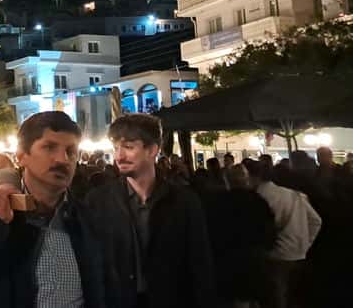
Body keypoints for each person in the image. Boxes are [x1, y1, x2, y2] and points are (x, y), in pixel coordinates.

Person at [0, 111, 106, 307]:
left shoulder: (87, 219)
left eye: (70, 151)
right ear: (21, 156)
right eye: (49, 147)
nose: (62, 159)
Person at [86, 113, 214, 308]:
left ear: (152, 150)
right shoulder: (98, 201)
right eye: (116, 148)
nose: (119, 156)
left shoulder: (184, 201)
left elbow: (200, 265)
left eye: (128, 147)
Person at [249, 159, 320, 308]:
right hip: (299, 253)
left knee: (277, 295)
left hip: (276, 254)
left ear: (254, 177)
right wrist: (306, 242)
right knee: (295, 295)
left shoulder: (259, 197)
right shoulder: (294, 195)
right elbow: (316, 221)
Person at [202, 163, 276, 307]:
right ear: (246, 180)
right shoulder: (258, 201)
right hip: (254, 256)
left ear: (227, 181)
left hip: (227, 257)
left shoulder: (217, 202)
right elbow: (268, 229)